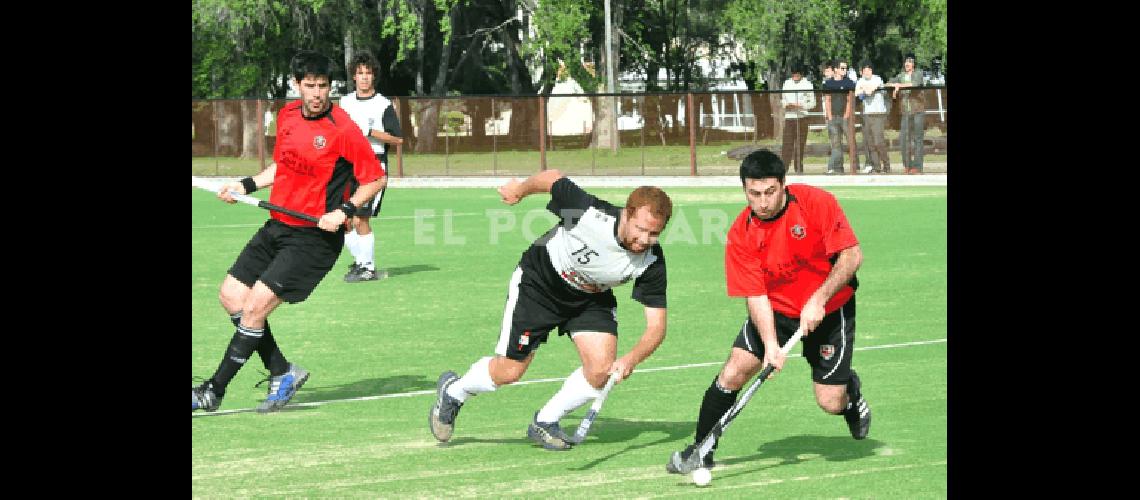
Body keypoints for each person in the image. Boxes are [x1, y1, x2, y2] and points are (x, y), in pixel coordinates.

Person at [192, 50, 385, 413]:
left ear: (330, 87)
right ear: (296, 85)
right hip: (278, 225)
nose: (316, 94)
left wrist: (343, 210)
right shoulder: (288, 116)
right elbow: (282, 166)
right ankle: (283, 371)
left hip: (314, 239)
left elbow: (375, 177)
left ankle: (212, 391)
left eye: (323, 86)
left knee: (254, 309)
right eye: (309, 86)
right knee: (232, 296)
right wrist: (245, 185)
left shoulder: (342, 128)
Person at [429, 170, 673, 450]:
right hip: (540, 284)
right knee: (510, 371)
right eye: (640, 229)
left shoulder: (651, 261)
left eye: (653, 233)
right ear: (627, 214)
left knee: (600, 370)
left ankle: (545, 421)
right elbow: (552, 178)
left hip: (589, 297)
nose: (644, 240)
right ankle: (454, 392)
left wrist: (632, 359)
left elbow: (657, 326)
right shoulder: (588, 213)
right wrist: (520, 190)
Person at [665, 149, 872, 473]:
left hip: (831, 309)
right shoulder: (741, 234)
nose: (762, 202)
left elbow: (851, 256)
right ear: (745, 190)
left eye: (770, 192)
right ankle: (702, 448)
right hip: (776, 311)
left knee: (829, 402)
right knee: (733, 371)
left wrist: (819, 298)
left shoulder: (816, 203)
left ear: (784, 184)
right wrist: (772, 346)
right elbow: (756, 294)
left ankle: (851, 393)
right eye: (754, 194)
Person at [338, 51, 404, 282]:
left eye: (368, 73)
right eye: (360, 73)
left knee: (360, 219)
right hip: (348, 165)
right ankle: (360, 262)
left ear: (374, 76)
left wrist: (368, 132)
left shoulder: (382, 104)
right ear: (353, 77)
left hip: (373, 165)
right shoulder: (344, 103)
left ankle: (368, 268)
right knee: (343, 220)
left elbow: (398, 139)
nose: (364, 77)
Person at [888, 54, 927, 174]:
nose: (907, 64)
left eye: (910, 62)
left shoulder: (918, 73)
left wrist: (899, 86)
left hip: (918, 111)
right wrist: (894, 85)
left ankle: (917, 167)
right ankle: (907, 165)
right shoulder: (900, 76)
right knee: (904, 139)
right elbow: (888, 83)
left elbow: (915, 84)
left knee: (917, 139)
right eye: (906, 62)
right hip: (905, 112)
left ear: (913, 64)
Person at [855, 60, 890, 173]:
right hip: (867, 114)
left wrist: (864, 90)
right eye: (865, 70)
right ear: (862, 71)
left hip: (878, 114)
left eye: (869, 69)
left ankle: (887, 165)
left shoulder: (877, 79)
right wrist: (864, 90)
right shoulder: (860, 81)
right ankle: (876, 167)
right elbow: (857, 94)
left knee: (878, 141)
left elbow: (869, 92)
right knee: (870, 143)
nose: (867, 72)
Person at [780, 66, 816, 174]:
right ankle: (783, 169)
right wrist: (787, 105)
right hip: (789, 118)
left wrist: (801, 106)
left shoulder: (807, 84)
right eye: (793, 74)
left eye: (797, 74)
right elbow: (783, 100)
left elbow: (812, 103)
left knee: (800, 144)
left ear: (801, 74)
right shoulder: (787, 83)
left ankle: (798, 168)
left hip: (802, 117)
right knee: (787, 144)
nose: (795, 76)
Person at [823, 59, 856, 174]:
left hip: (845, 118)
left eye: (845, 68)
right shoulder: (828, 83)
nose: (844, 70)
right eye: (842, 68)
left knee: (851, 142)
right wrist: (830, 117)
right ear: (836, 69)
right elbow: (827, 100)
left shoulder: (849, 83)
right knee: (836, 144)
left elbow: (849, 100)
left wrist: (846, 115)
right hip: (833, 118)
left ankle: (854, 167)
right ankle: (838, 168)